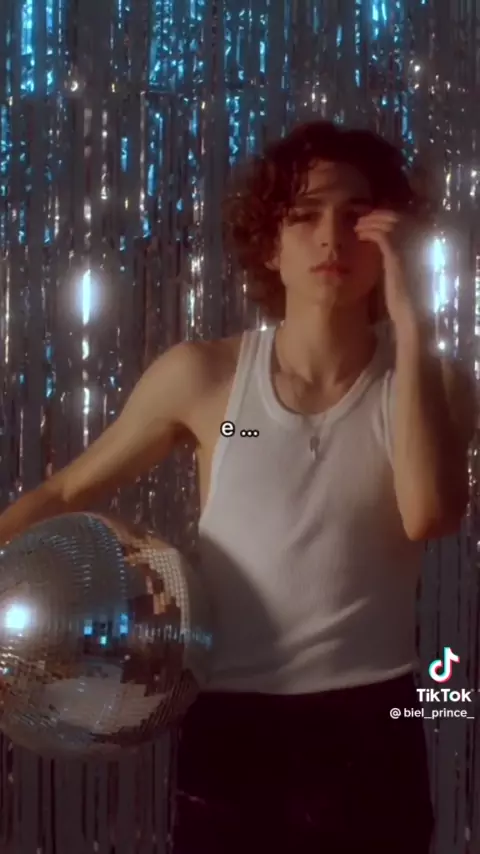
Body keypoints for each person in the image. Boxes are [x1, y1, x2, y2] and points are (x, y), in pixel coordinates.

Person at [0, 121, 475, 853]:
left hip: (373, 726)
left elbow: (429, 514)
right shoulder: (207, 380)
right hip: (233, 730)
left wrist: (412, 321)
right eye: (304, 215)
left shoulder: (433, 382)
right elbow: (68, 493)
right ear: (269, 244)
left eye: (358, 217)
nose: (332, 237)